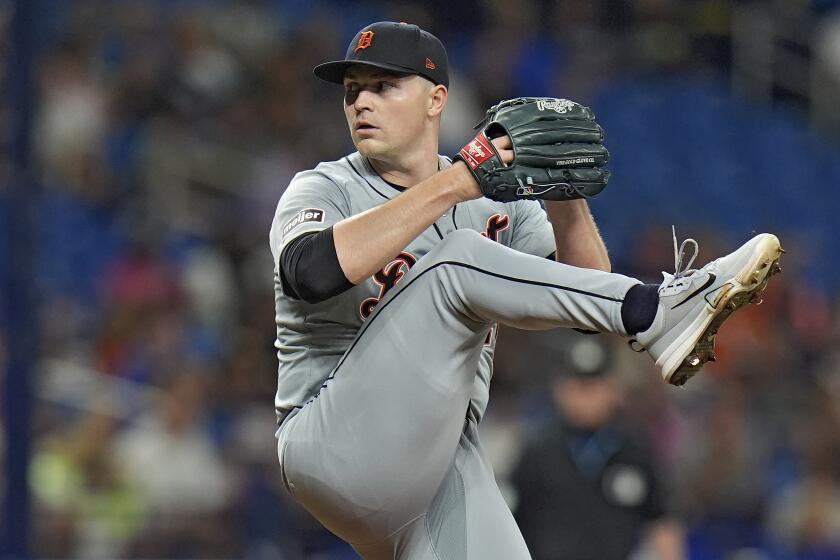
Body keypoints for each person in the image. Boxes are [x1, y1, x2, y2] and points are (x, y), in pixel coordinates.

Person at [269, 21, 782, 560]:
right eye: (353, 91)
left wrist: (565, 196)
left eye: (383, 86)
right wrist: (457, 181)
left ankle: (658, 312)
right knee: (456, 263)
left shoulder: (495, 203)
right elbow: (309, 273)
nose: (361, 103)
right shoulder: (326, 187)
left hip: (435, 465)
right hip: (330, 437)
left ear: (436, 99)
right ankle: (661, 311)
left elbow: (588, 308)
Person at [511, 336, 685, 560]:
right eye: (578, 387)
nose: (586, 398)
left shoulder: (634, 452)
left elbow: (663, 524)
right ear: (560, 390)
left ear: (613, 389)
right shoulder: (537, 452)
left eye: (594, 386)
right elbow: (505, 521)